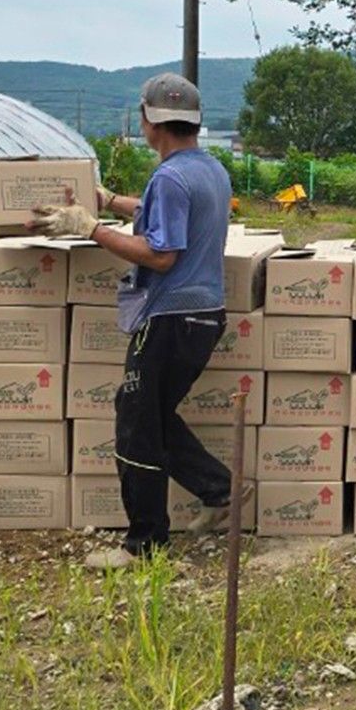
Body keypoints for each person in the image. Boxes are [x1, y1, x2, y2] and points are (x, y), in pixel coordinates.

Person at [31, 72, 241, 568]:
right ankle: (219, 491)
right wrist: (108, 202)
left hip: (169, 319)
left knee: (136, 426)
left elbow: (161, 255)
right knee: (150, 413)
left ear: (149, 121)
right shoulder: (208, 169)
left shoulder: (169, 176)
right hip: (204, 316)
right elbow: (161, 212)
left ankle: (144, 545)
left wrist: (92, 229)